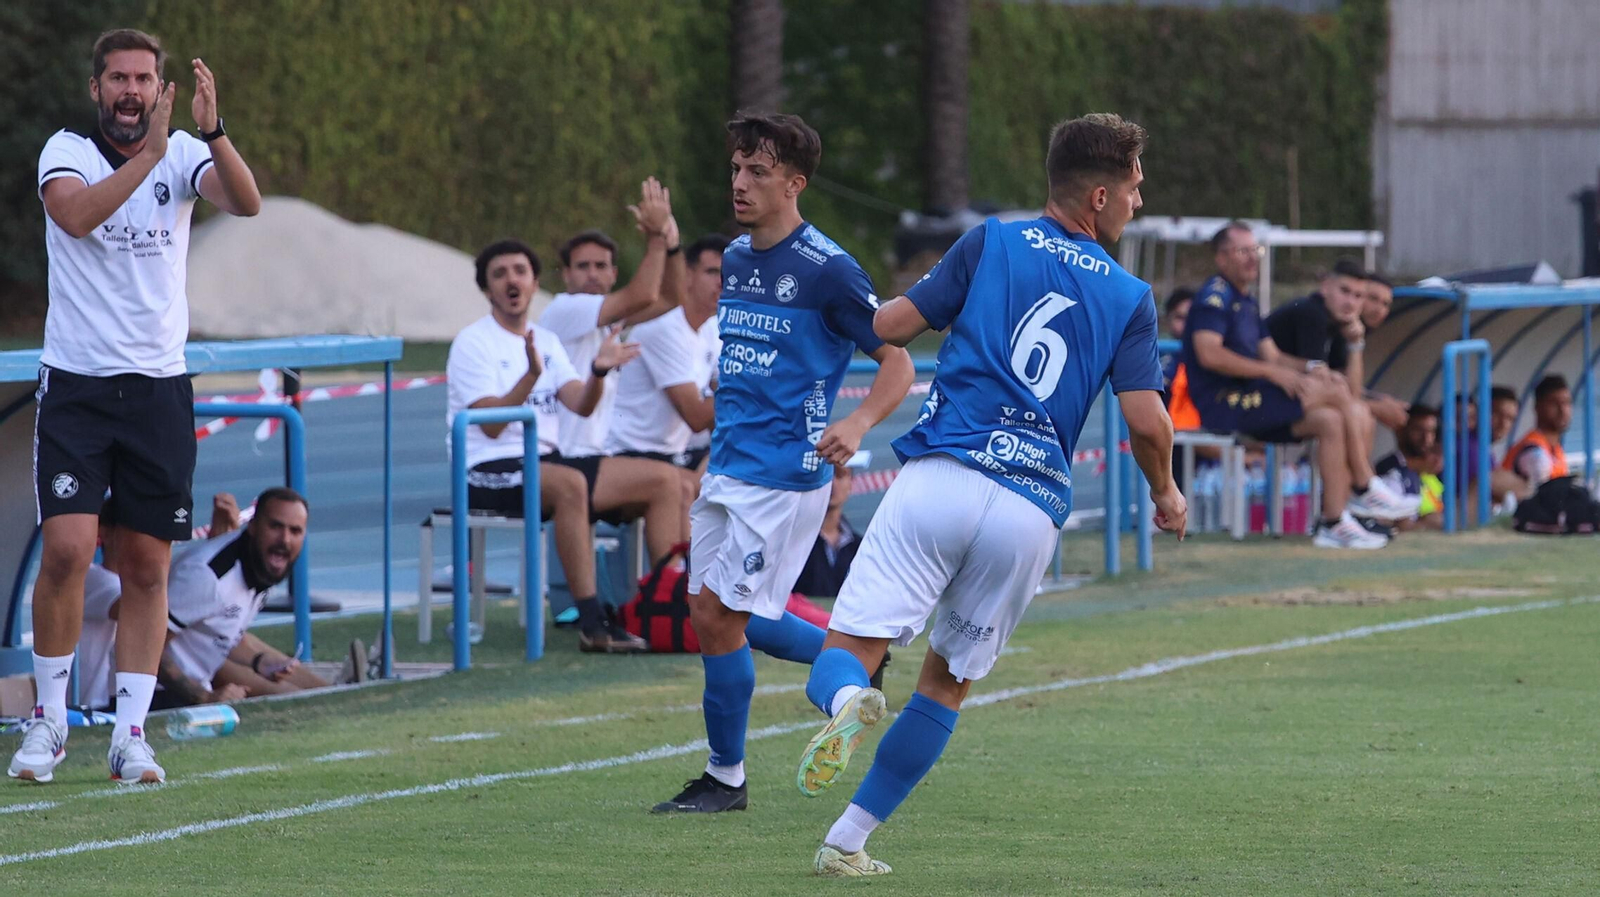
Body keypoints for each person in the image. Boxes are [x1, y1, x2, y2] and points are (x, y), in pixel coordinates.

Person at [791, 113, 1185, 877]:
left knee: (846, 654)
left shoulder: (991, 240)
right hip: (1029, 506)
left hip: (943, 475)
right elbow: (1146, 421)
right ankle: (847, 839)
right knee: (944, 684)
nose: (1141, 200)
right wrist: (1166, 492)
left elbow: (892, 325)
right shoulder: (1132, 295)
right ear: (1099, 196)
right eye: (1135, 188)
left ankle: (847, 704)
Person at [10, 29, 261, 786]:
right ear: (96, 89)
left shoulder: (184, 151)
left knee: (146, 566)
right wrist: (149, 158)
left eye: (143, 79)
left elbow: (247, 202)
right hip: (80, 388)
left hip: (157, 390)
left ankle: (129, 734)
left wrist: (212, 133)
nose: (130, 90)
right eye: (117, 78)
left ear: (161, 90)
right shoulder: (66, 151)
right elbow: (77, 216)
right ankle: (50, 723)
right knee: (67, 550)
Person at [650, 111, 915, 815]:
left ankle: (730, 774)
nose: (740, 183)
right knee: (715, 612)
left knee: (717, 614)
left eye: (758, 171)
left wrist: (856, 421)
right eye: (737, 168)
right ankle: (851, 658)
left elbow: (898, 358)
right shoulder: (736, 258)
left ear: (794, 183)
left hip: (782, 477)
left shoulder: (828, 269)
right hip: (729, 465)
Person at [446, 239, 649, 653]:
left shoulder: (547, 340)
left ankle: (669, 601)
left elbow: (582, 404)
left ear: (535, 282)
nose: (511, 281)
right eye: (499, 274)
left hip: (546, 464)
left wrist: (598, 370)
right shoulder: (473, 343)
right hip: (487, 470)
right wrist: (530, 377)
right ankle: (592, 621)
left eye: (519, 271)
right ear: (487, 290)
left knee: (666, 481)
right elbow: (489, 427)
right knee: (570, 484)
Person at [1181, 223, 1417, 550]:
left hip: (1253, 401)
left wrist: (1311, 369)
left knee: (1331, 419)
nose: (1253, 259)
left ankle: (1334, 522)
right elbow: (1209, 353)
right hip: (1225, 403)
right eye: (1243, 251)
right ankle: (1365, 485)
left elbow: (1273, 355)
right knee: (1338, 395)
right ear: (1221, 258)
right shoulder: (1215, 296)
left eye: (1256, 251)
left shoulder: (1246, 301)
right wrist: (1275, 373)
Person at [537, 184, 689, 565]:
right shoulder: (565, 309)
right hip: (562, 461)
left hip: (596, 457)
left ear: (613, 273)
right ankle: (666, 597)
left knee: (684, 487)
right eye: (582, 266)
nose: (592, 274)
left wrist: (670, 242)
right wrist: (655, 236)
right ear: (566, 275)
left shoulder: (607, 319)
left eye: (601, 266)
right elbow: (643, 295)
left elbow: (671, 298)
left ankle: (671, 594)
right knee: (667, 481)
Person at [605, 234, 727, 509]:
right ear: (688, 274)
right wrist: (752, 381)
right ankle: (681, 554)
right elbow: (696, 417)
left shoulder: (712, 327)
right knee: (700, 486)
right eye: (712, 272)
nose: (722, 281)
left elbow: (725, 405)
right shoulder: (663, 327)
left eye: (728, 274)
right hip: (629, 453)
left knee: (741, 466)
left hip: (672, 454)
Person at [790, 453, 871, 600]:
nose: (832, 483)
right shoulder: (791, 542)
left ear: (851, 482)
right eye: (825, 475)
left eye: (840, 475)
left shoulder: (862, 548)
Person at [1357, 271, 1410, 432]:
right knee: (1362, 416)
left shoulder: (1359, 334)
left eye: (1386, 304)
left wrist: (1381, 400)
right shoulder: (1340, 331)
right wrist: (1377, 406)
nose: (1379, 309)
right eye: (1373, 299)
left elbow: (1346, 387)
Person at [1375, 404, 1440, 531]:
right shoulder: (1390, 471)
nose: (1426, 439)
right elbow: (1398, 525)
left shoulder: (1430, 469)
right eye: (1418, 430)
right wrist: (1427, 523)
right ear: (1401, 432)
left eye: (1431, 431)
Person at [1504, 375, 1573, 490]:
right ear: (1538, 407)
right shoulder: (1533, 452)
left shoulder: (1555, 449)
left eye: (1567, 403)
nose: (1563, 410)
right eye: (1554, 403)